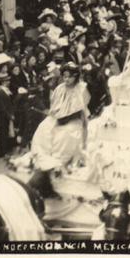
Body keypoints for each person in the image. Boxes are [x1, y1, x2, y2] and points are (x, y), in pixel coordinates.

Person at [29, 62, 90, 198]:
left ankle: (62, 160)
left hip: (75, 118)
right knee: (44, 126)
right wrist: (56, 115)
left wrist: (67, 117)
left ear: (75, 76)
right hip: (59, 116)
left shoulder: (81, 88)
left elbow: (79, 109)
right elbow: (55, 106)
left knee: (67, 133)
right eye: (64, 77)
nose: (66, 80)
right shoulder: (59, 88)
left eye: (69, 77)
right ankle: (44, 157)